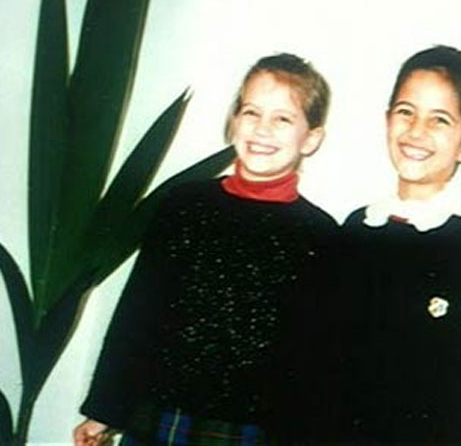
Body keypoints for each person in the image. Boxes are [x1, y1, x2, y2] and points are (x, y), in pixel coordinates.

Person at [73, 53, 338, 445]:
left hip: (248, 430)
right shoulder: (183, 205)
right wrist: (103, 410)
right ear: (233, 120)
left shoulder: (320, 235)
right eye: (251, 112)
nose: (262, 128)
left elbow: (312, 359)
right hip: (157, 415)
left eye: (283, 118)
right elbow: (137, 313)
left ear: (311, 138)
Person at [341, 45, 461, 444]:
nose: (416, 131)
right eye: (406, 111)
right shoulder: (356, 230)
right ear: (387, 120)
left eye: (440, 119)